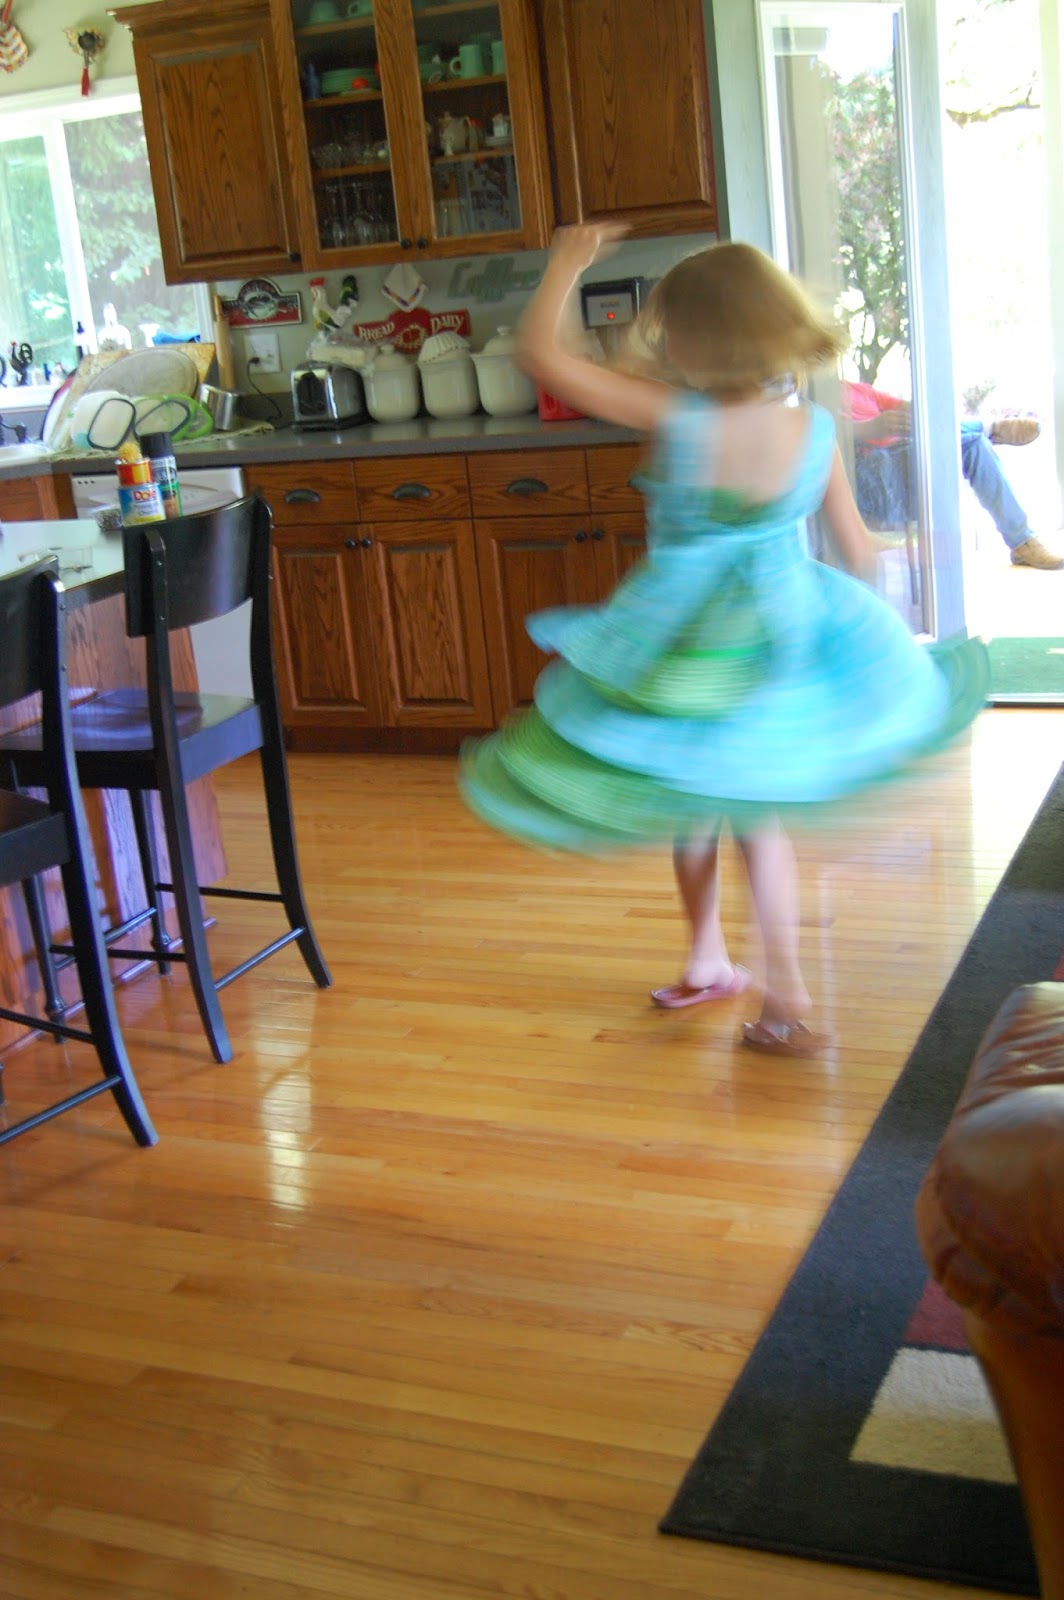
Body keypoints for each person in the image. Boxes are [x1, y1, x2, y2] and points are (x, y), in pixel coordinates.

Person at [460, 228, 989, 1056]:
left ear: (695, 340)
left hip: (688, 645)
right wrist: (868, 620)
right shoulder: (814, 430)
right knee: (749, 810)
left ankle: (747, 974)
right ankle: (749, 977)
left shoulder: (679, 417)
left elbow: (541, 357)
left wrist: (566, 263)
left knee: (697, 799)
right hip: (779, 641)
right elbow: (855, 550)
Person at [843, 381, 1060, 570]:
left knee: (974, 446)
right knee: (968, 440)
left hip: (901, 459)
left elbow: (913, 410)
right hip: (867, 477)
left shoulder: (857, 390)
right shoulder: (824, 397)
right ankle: (987, 427)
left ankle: (1022, 542)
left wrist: (921, 414)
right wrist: (869, 428)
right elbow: (828, 438)